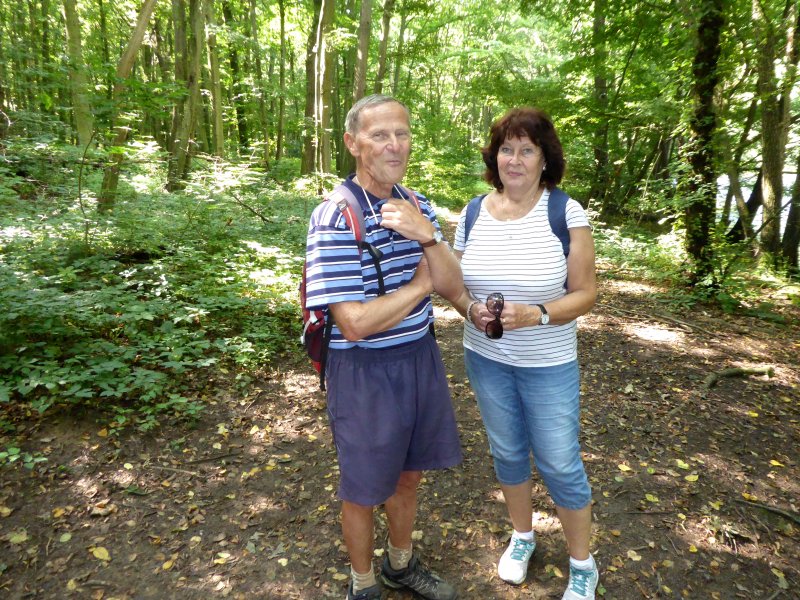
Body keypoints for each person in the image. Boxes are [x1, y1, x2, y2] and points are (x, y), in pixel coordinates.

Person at [304, 94, 463, 600]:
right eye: (380, 135)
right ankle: (364, 583)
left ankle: (399, 564)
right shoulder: (335, 217)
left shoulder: (418, 204)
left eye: (403, 133)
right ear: (353, 144)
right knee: (364, 488)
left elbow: (454, 284)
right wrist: (420, 287)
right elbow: (352, 323)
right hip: (363, 373)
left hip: (418, 356)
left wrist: (430, 239)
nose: (395, 145)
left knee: (409, 476)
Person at [449, 107, 599, 599]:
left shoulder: (565, 212)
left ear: (543, 158)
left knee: (558, 462)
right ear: (495, 156)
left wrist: (536, 313)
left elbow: (586, 294)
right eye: (506, 149)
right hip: (486, 359)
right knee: (508, 452)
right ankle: (523, 536)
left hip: (548, 363)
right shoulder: (472, 212)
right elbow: (453, 284)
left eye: (526, 149)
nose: (514, 159)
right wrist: (471, 309)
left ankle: (583, 564)